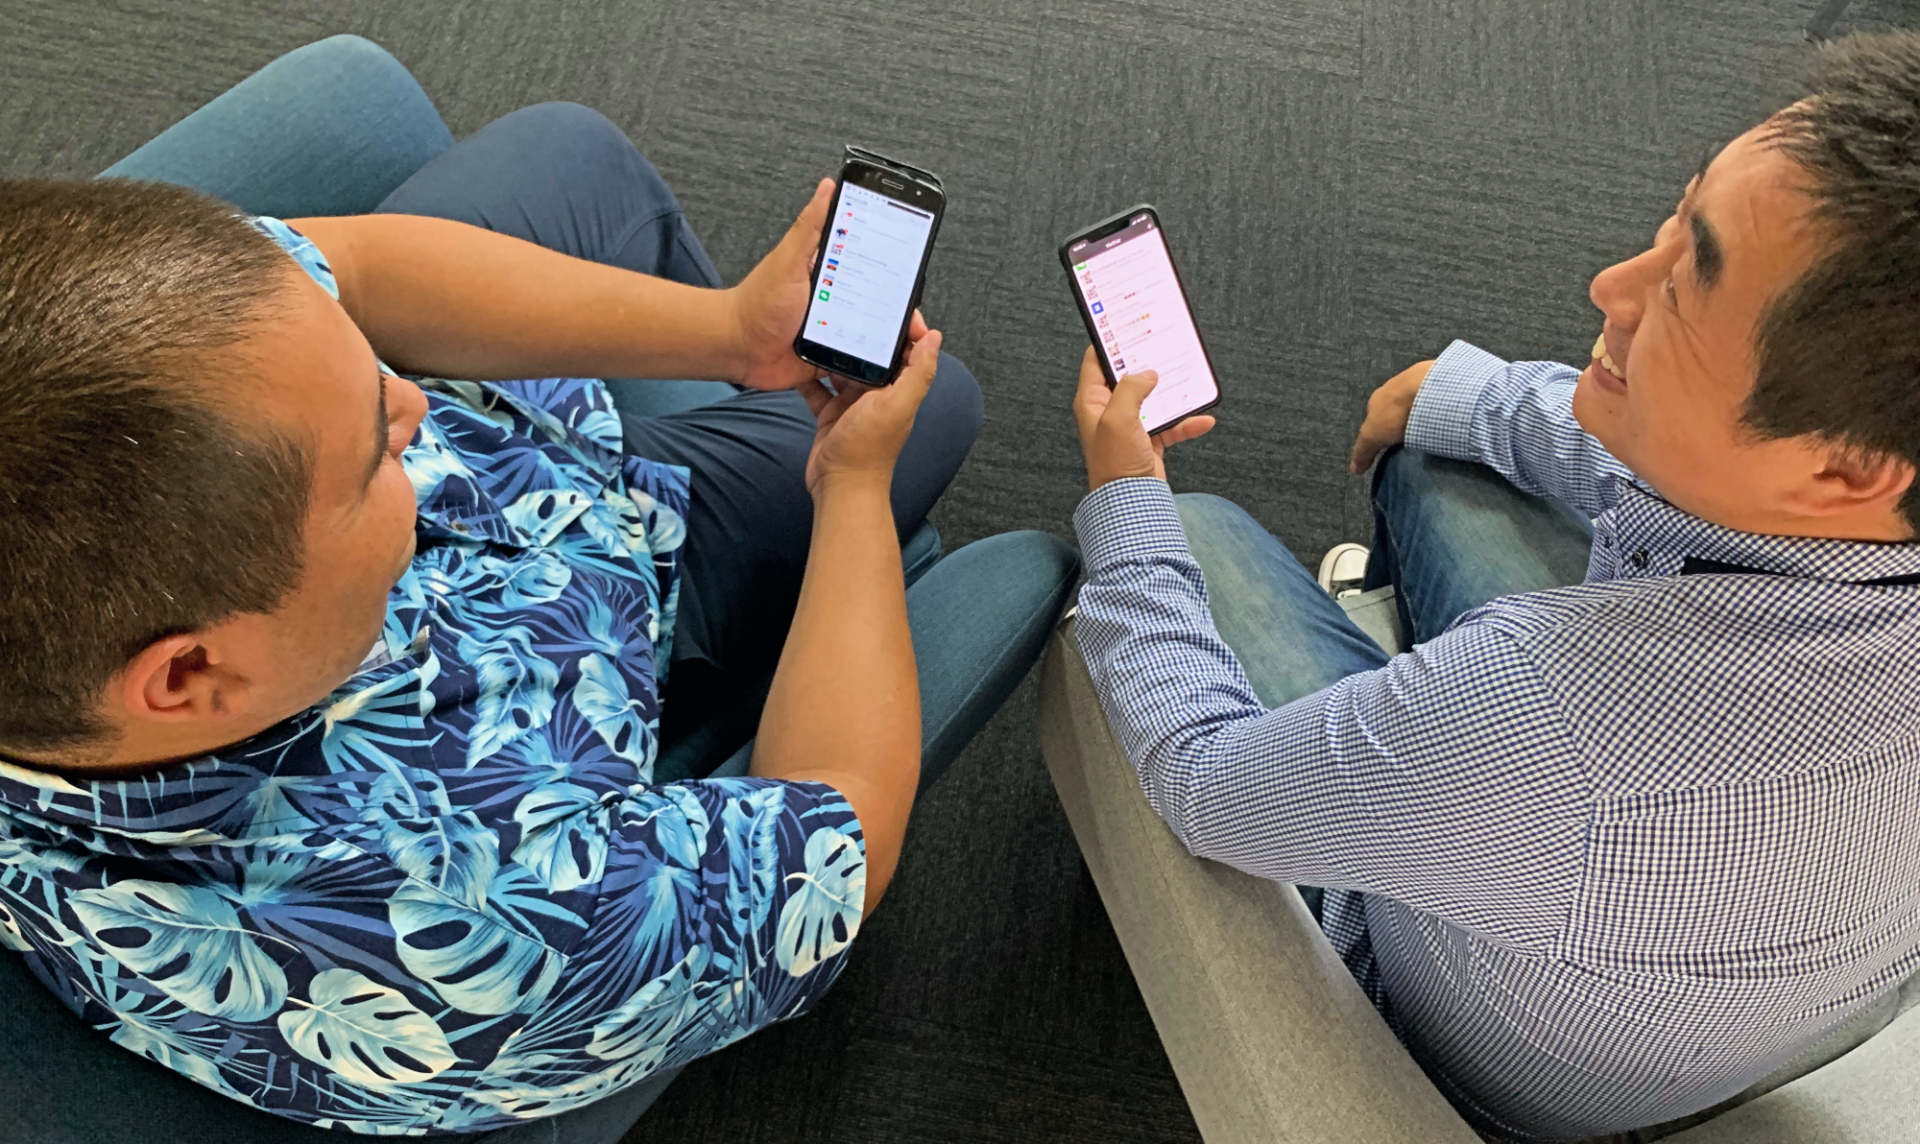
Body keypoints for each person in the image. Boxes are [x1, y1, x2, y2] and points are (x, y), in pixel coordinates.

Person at [0, 36, 1078, 1137]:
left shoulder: (137, 342)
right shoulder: (497, 920)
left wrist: (730, 334)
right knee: (935, 409)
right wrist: (850, 482)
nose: (410, 407)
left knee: (573, 148)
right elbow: (842, 824)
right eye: (373, 450)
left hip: (523, 489)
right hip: (592, 634)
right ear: (189, 672)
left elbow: (351, 277)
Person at [1067, 29, 1920, 1143]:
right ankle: (1396, 686)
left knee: (1189, 533)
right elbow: (1654, 467)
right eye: (1680, 212)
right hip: (1696, 1024)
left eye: (1684, 285)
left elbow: (1201, 785)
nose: (1612, 285)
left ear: (1846, 466)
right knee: (1443, 446)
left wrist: (1124, 492)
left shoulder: (1547, 719)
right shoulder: (1862, 493)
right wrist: (1468, 395)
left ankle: (1374, 721)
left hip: (1433, 1027)